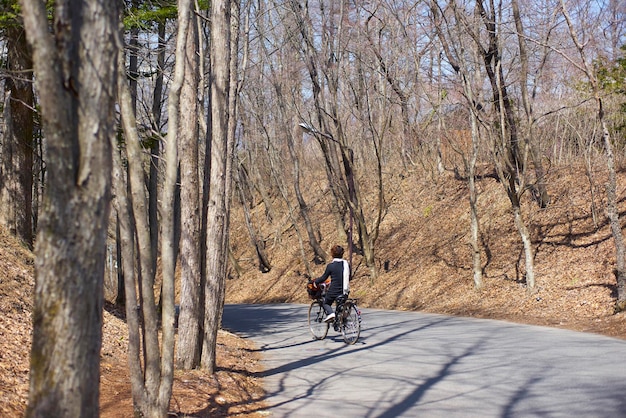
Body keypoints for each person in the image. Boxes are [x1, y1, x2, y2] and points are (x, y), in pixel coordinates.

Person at [312, 245, 350, 323]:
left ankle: (331, 314)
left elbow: (323, 278)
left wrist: (316, 282)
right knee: (340, 305)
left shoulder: (330, 266)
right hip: (345, 290)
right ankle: (341, 321)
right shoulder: (346, 265)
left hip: (334, 290)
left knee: (326, 302)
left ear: (332, 254)